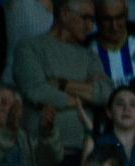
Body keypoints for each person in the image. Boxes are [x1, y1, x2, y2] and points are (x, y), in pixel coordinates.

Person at [14, 0, 111, 152]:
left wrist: (61, 84)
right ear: (64, 13)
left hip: (83, 151)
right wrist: (85, 99)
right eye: (85, 18)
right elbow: (36, 91)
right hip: (41, 151)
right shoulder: (29, 47)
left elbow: (106, 93)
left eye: (93, 20)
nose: (90, 26)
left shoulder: (89, 55)